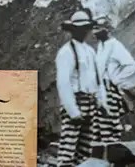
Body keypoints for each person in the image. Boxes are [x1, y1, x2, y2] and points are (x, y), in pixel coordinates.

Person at [54, 9, 101, 166]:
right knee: (68, 146)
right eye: (79, 29)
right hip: (75, 101)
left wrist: (98, 101)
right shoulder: (66, 52)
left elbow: (95, 79)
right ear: (72, 30)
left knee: (86, 148)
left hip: (89, 102)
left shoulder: (90, 51)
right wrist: (72, 110)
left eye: (86, 28)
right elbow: (63, 83)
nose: (83, 32)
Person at [93, 19, 135, 143]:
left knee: (110, 124)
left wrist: (116, 79)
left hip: (109, 91)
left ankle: (112, 154)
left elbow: (132, 65)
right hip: (98, 90)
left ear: (107, 30)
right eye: (94, 29)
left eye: (98, 29)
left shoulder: (115, 45)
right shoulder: (101, 46)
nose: (94, 32)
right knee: (98, 126)